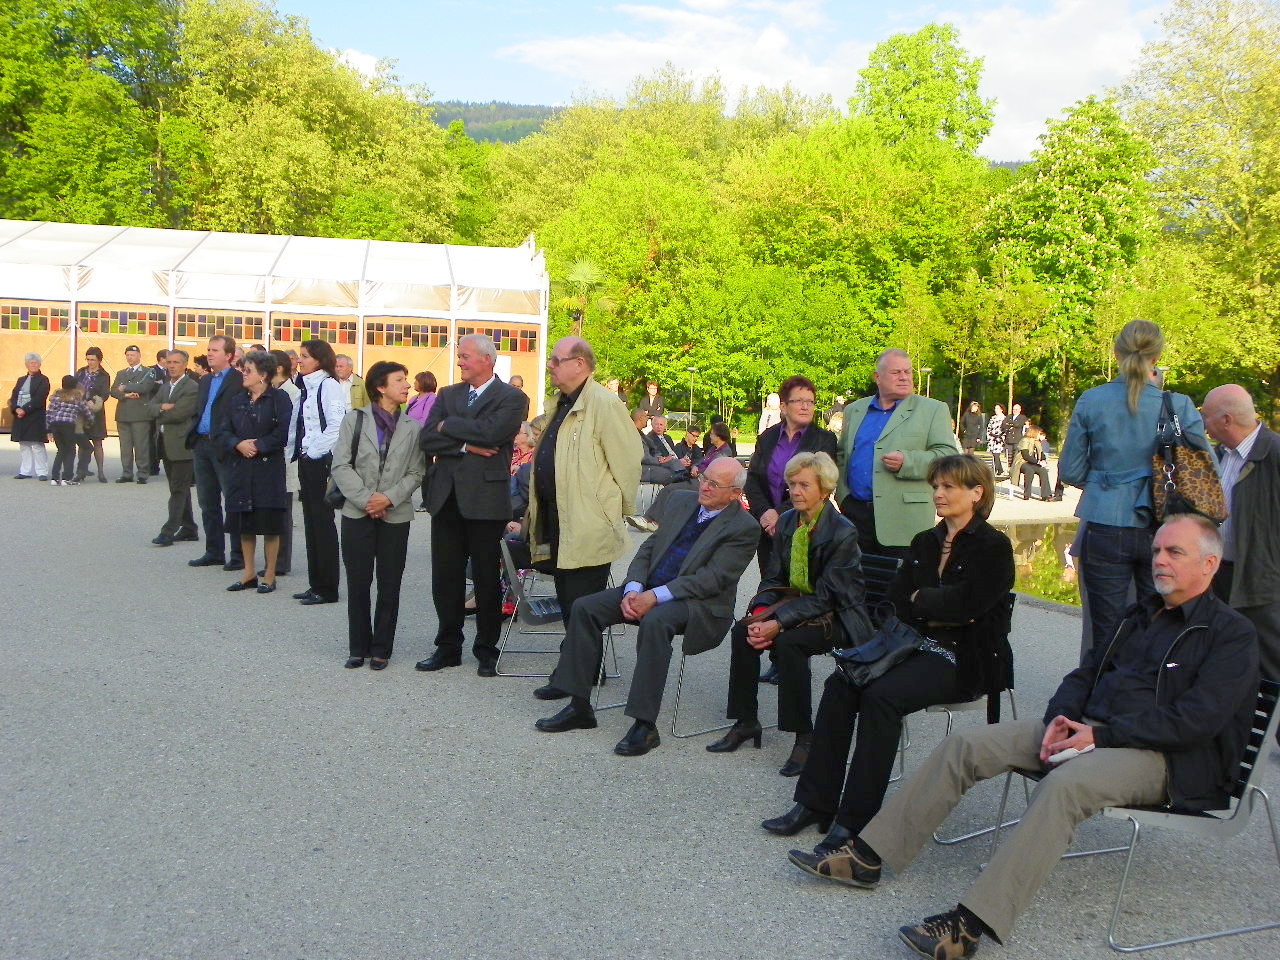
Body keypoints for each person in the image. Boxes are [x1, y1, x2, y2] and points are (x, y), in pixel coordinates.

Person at [789, 514, 1258, 960]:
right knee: (966, 746)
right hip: (1089, 730)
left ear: (1209, 564)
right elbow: (1085, 674)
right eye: (1156, 550)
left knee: (1066, 786)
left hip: (1163, 758)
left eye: (1174, 552)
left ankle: (969, 926)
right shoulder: (1140, 613)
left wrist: (1099, 736)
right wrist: (1060, 718)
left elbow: (1196, 721)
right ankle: (869, 857)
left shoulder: (1230, 635)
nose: (1159, 560)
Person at [766, 455, 1014, 858]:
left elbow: (970, 606)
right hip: (911, 645)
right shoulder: (926, 542)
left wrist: (924, 600)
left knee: (881, 697)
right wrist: (931, 604)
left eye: (948, 487)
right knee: (842, 681)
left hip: (965, 657)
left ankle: (855, 824)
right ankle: (815, 804)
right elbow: (899, 601)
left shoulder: (994, 546)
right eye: (936, 486)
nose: (938, 493)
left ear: (976, 493)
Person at [535, 457, 759, 753]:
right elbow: (649, 548)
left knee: (656, 621)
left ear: (735, 493)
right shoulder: (681, 501)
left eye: (714, 484)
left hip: (698, 605)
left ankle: (645, 725)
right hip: (648, 589)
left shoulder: (744, 527)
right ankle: (579, 706)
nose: (704, 486)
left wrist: (654, 597)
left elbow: (711, 579)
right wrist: (634, 588)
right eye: (704, 478)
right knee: (585, 607)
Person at [709, 451, 872, 775]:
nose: (795, 491)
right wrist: (760, 614)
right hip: (795, 605)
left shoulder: (842, 531)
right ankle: (746, 721)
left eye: (804, 485)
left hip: (838, 614)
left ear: (824, 490)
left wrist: (778, 624)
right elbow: (773, 579)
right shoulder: (787, 522)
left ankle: (804, 737)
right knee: (743, 631)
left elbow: (828, 596)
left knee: (789, 643)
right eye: (792, 484)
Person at [1059, 319, 1210, 652]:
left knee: (1106, 634)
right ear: (1157, 357)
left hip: (1105, 521)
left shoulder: (1092, 400)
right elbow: (1204, 472)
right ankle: (1150, 685)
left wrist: (1104, 482)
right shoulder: (1178, 405)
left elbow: (1070, 470)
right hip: (1164, 527)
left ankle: (1106, 685)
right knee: (1159, 628)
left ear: (1116, 353)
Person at [526, 336, 640, 700]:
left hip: (589, 523)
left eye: (556, 360)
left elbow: (627, 463)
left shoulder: (604, 404)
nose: (550, 366)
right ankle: (580, 671)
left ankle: (576, 679)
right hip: (559, 518)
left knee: (582, 603)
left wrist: (611, 511)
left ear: (580, 364)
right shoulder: (561, 403)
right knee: (569, 600)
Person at [416, 334, 527, 677]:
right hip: (446, 498)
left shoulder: (512, 397)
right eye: (460, 356)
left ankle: (486, 649)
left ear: (486, 359)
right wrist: (465, 445)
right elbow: (427, 438)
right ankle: (447, 647)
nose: (459, 361)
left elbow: (493, 434)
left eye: (465, 356)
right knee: (445, 578)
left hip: (486, 501)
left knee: (485, 579)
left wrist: (448, 425)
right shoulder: (448, 394)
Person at [332, 361, 426, 670]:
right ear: (380, 387)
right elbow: (341, 465)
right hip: (357, 513)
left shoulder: (413, 427)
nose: (407, 385)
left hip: (395, 515)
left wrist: (388, 498)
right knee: (358, 583)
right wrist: (366, 500)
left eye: (406, 379)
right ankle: (358, 647)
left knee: (389, 584)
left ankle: (382, 648)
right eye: (399, 380)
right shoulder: (354, 420)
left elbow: (417, 472)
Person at [837, 348, 958, 559]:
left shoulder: (933, 410)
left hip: (905, 522)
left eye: (908, 372)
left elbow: (948, 457)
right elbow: (842, 456)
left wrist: (908, 462)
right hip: (855, 517)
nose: (904, 377)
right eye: (896, 372)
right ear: (877, 377)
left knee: (900, 579)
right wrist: (843, 496)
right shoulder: (854, 410)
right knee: (858, 578)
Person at [1203, 384, 1280, 693]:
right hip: (1220, 575)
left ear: (1226, 420)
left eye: (1206, 416)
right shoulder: (1220, 455)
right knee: (1226, 662)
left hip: (1263, 583)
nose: (1203, 423)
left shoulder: (1273, 453)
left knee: (1271, 666)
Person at [744, 376, 839, 576]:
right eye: (799, 401)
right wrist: (765, 513)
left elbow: (818, 485)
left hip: (806, 527)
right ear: (784, 406)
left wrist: (779, 514)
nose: (806, 406)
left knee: (803, 585)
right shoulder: (767, 437)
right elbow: (752, 479)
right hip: (768, 529)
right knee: (770, 584)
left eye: (810, 402)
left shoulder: (824, 440)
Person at [217, 350, 291, 594]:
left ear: (263, 375)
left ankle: (269, 574)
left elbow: (283, 433)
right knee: (244, 523)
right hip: (241, 467)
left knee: (270, 524)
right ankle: (248, 573)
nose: (243, 374)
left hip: (268, 469)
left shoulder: (279, 399)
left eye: (248, 370)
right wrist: (238, 444)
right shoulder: (237, 399)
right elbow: (223, 430)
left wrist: (258, 445)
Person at [291, 339, 348, 605]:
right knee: (311, 523)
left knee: (322, 524)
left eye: (305, 356)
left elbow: (336, 425)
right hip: (308, 458)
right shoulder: (306, 385)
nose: (299, 360)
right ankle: (316, 583)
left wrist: (312, 451)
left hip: (320, 460)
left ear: (319, 359)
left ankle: (327, 588)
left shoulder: (328, 385)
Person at [188, 336, 246, 571]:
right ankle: (214, 551)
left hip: (225, 446)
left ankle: (238, 554)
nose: (210, 354)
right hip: (202, 444)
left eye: (215, 350)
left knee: (232, 501)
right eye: (209, 349)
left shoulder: (238, 380)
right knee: (207, 501)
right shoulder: (205, 380)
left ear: (229, 355)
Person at [148, 351, 200, 546]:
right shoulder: (166, 386)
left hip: (182, 445)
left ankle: (168, 530)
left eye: (176, 362)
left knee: (178, 489)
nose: (171, 366)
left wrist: (161, 410)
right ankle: (189, 528)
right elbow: (150, 407)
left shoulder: (192, 387)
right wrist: (163, 407)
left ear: (185, 364)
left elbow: (179, 413)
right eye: (169, 362)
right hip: (164, 442)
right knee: (178, 487)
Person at [268, 350, 300, 577]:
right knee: (270, 511)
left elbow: (290, 430)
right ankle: (272, 559)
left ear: (278, 368)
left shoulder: (293, 393)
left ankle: (281, 561)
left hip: (285, 458)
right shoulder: (270, 391)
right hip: (269, 459)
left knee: (282, 512)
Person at [110, 344, 158, 483]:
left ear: (139, 356)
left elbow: (145, 387)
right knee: (125, 447)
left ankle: (142, 473)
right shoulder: (121, 373)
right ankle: (127, 473)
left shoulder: (148, 372)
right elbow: (113, 391)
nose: (130, 357)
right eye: (128, 355)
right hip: (123, 414)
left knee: (141, 445)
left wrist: (125, 387)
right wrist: (125, 395)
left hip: (140, 414)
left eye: (132, 355)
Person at [44, 375, 93, 486]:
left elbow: (49, 413)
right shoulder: (77, 397)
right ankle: (67, 478)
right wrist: (90, 421)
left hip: (55, 424)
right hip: (68, 425)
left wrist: (48, 430)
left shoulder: (56, 396)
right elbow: (86, 411)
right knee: (70, 451)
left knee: (61, 450)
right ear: (75, 385)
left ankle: (55, 478)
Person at [9, 353, 49, 480]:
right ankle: (25, 471)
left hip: (35, 416)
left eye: (36, 363)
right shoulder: (21, 380)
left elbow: (40, 398)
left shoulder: (43, 380)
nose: (34, 365)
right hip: (20, 417)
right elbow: (14, 396)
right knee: (24, 444)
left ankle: (42, 472)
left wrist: (25, 409)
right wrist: (16, 408)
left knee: (37, 445)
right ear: (26, 365)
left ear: (40, 364)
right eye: (31, 363)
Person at [74, 347, 111, 483]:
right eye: (88, 359)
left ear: (99, 360)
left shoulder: (104, 375)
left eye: (93, 360)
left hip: (96, 412)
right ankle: (81, 471)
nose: (90, 362)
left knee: (97, 442)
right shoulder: (80, 372)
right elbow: (74, 388)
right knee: (82, 442)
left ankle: (101, 472)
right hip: (81, 411)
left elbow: (105, 393)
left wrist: (94, 401)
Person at [406, 371, 438, 512]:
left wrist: (410, 428)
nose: (414, 383)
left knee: (425, 471)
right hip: (410, 439)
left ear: (424, 382)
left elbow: (426, 420)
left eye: (416, 380)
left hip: (423, 439)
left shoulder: (431, 398)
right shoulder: (414, 398)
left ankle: (428, 501)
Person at [1013, 423, 1055, 501]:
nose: (1040, 435)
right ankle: (1027, 494)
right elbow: (1026, 456)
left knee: (1043, 471)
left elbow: (1041, 454)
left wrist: (1043, 461)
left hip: (1033, 462)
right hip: (1022, 462)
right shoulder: (1024, 440)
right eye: (1039, 433)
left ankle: (1046, 495)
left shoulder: (1037, 442)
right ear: (1034, 432)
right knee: (1029, 470)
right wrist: (1038, 462)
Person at [1002, 402, 1027, 476]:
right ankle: (1009, 469)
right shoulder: (1009, 416)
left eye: (1016, 409)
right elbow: (1003, 425)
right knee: (1008, 455)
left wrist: (1010, 423)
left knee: (1015, 455)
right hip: (1009, 439)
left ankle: (1014, 470)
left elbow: (1018, 425)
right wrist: (1011, 424)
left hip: (1017, 439)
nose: (1014, 411)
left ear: (1020, 410)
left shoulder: (1022, 417)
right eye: (1013, 409)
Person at [985, 403, 1007, 479]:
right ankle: (1000, 470)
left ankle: (996, 470)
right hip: (992, 439)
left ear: (1001, 409)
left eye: (997, 408)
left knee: (996, 454)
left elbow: (1005, 430)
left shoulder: (1004, 418)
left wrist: (1001, 437)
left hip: (999, 439)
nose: (996, 410)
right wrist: (989, 436)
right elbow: (989, 428)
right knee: (994, 454)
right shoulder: (993, 418)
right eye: (995, 408)